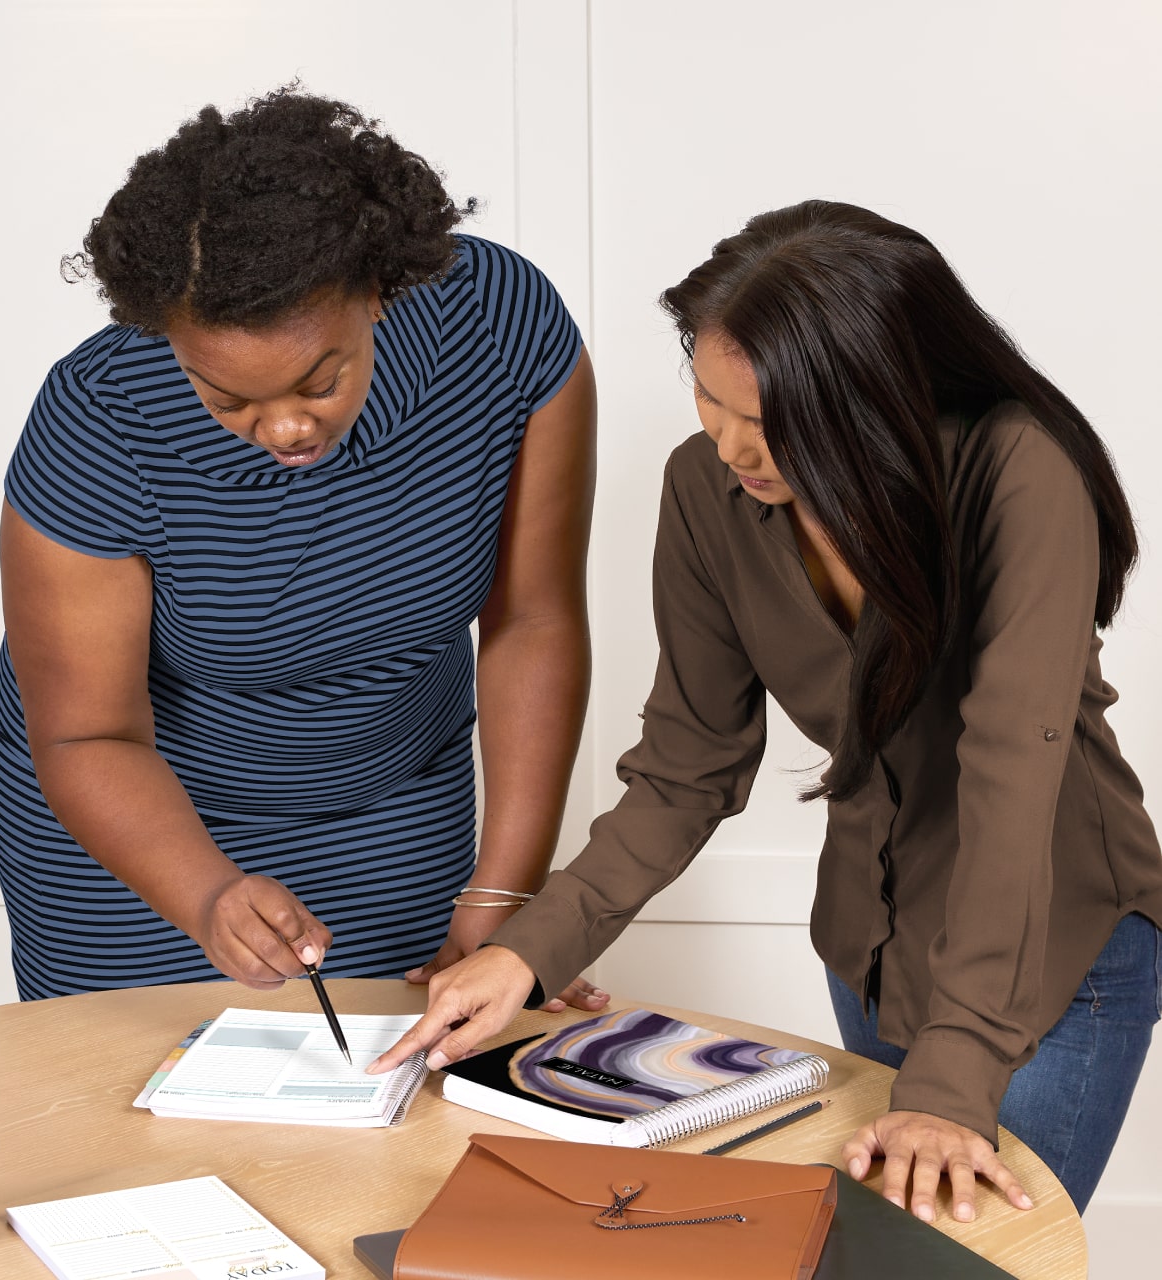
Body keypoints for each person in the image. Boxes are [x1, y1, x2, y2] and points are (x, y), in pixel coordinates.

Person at [372, 200, 1162, 1221]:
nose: (735, 444)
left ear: (880, 397)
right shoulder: (706, 492)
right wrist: (528, 952)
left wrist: (954, 1076)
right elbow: (686, 765)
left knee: (975, 1257)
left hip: (1052, 959)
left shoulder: (1016, 471)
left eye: (777, 418)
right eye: (709, 397)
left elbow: (1012, 769)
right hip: (869, 951)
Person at [0, 86, 609, 1018]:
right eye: (225, 397)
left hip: (396, 802)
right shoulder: (101, 418)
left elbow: (532, 619)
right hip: (145, 830)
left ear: (377, 293)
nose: (281, 427)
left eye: (320, 380)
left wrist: (500, 896)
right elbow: (88, 733)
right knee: (149, 1123)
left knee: (389, 1111)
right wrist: (205, 893)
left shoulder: (497, 329)